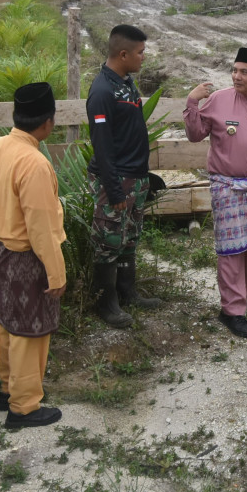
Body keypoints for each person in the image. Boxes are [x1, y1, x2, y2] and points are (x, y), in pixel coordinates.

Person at [0, 82, 67, 428]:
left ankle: (7, 389)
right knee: (31, 331)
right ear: (48, 122)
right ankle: (24, 407)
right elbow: (41, 228)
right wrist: (56, 274)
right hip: (26, 255)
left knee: (7, 321)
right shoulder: (34, 163)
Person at [184, 46, 247, 338]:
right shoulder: (217, 100)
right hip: (228, 186)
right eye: (234, 70)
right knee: (232, 248)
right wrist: (192, 101)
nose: (236, 76)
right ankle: (232, 310)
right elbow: (194, 135)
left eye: (244, 72)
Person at [87, 24, 162, 329]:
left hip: (135, 176)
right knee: (108, 239)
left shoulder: (125, 82)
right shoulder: (102, 92)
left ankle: (127, 291)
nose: (144, 57)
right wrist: (115, 191)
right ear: (123, 54)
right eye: (140, 52)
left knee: (129, 237)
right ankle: (106, 303)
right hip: (116, 179)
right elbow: (102, 146)